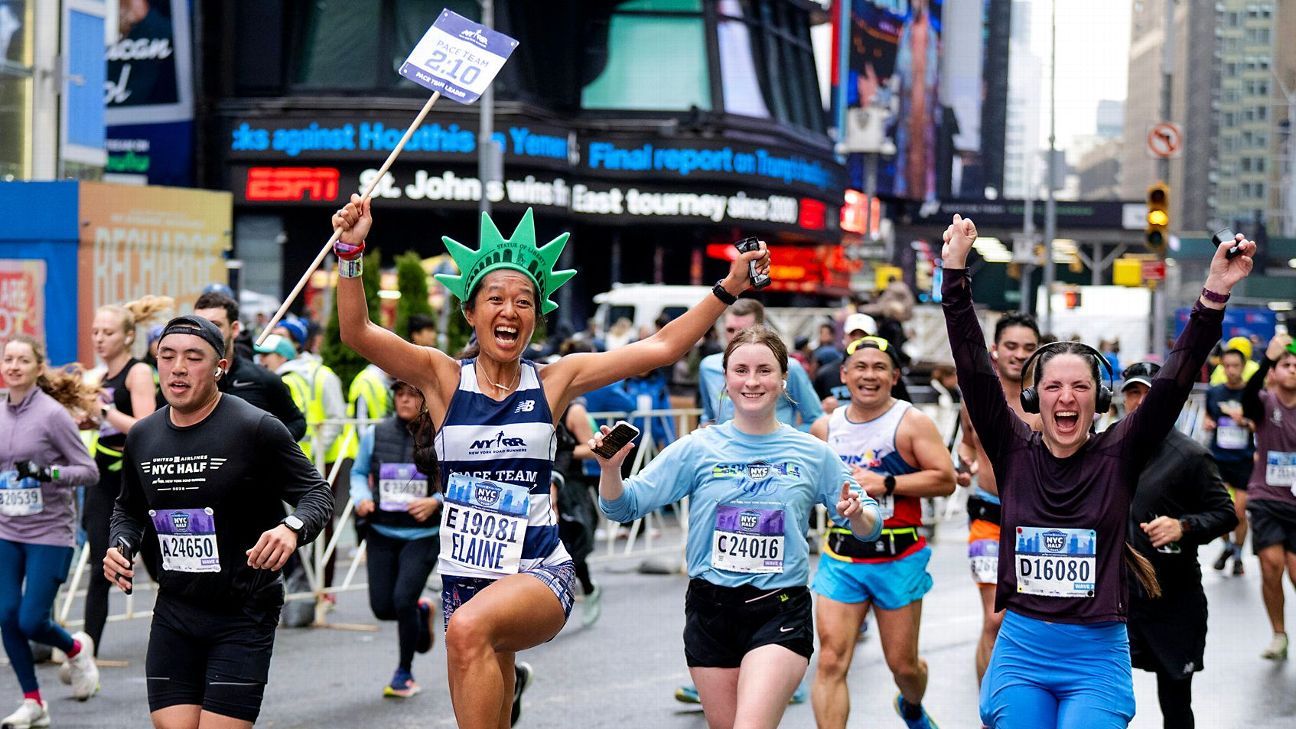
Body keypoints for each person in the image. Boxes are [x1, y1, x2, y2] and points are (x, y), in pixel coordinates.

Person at [330, 196, 770, 729]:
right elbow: (357, 333)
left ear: (537, 319)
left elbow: (660, 347)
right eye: (495, 298)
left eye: (524, 302)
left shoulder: (555, 379)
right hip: (466, 582)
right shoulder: (441, 377)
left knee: (468, 631)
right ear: (470, 313)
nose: (509, 311)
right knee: (480, 673)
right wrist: (350, 251)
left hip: (538, 572)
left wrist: (728, 288)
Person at [940, 213, 1255, 729]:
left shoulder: (1120, 453)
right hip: (1022, 652)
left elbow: (1175, 378)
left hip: (1095, 656)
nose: (1066, 397)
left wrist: (1215, 292)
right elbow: (973, 363)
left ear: (1100, 400)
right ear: (1033, 398)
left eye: (1080, 387)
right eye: (1053, 387)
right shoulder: (1012, 447)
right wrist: (954, 273)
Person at [596, 326, 882, 729]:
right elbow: (623, 507)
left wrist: (856, 515)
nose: (752, 381)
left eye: (764, 370)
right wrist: (610, 470)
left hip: (779, 610)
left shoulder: (812, 453)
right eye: (741, 370)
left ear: (783, 379)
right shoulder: (697, 448)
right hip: (710, 611)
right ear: (726, 379)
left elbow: (870, 524)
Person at [103, 315, 334, 729]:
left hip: (244, 610)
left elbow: (317, 494)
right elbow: (128, 508)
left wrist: (292, 528)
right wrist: (121, 545)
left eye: (194, 358)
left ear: (219, 368)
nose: (178, 367)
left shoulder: (254, 427)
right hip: (175, 608)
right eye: (167, 356)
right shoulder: (143, 435)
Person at [809, 336, 955, 729]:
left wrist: (887, 483)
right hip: (842, 557)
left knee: (903, 667)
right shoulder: (825, 427)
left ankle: (912, 706)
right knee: (830, 661)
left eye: (879, 368)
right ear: (844, 375)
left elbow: (945, 480)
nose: (869, 375)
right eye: (860, 367)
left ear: (894, 377)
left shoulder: (911, 422)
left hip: (898, 556)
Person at [1120, 361, 1237, 729]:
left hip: (1172, 600)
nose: (1140, 401)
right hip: (1118, 600)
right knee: (1102, 698)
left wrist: (1183, 526)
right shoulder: (1109, 448)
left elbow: (1226, 514)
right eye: (1133, 393)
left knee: (1175, 703)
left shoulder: (1190, 456)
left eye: (1149, 393)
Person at [1, 337, 102, 728]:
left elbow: (88, 471)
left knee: (31, 620)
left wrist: (47, 473)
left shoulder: (52, 415)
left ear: (38, 367)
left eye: (22, 360)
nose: (13, 366)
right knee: (6, 616)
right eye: (8, 359)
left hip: (49, 533)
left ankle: (75, 649)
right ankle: (33, 702)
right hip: (7, 529)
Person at [955, 312, 1042, 688]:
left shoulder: (1050, 400)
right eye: (1011, 346)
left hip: (1039, 523)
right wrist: (965, 463)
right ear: (995, 349)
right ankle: (988, 710)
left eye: (1028, 347)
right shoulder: (976, 399)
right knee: (995, 618)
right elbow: (966, 442)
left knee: (1034, 620)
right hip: (988, 519)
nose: (1019, 354)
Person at [84, 295, 171, 656]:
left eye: (107, 332)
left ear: (128, 336)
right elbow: (102, 424)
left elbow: (144, 427)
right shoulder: (98, 376)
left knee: (159, 564)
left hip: (137, 480)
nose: (99, 339)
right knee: (99, 567)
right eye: (95, 332)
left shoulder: (138, 372)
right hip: (103, 478)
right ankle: (86, 655)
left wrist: (103, 411)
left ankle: (182, 634)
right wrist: (86, 418)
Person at [350, 379, 441, 698]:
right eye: (399, 394)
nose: (404, 400)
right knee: (383, 608)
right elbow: (358, 472)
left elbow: (456, 478)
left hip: (422, 535)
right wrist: (361, 497)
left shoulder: (439, 434)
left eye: (411, 395)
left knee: (403, 600)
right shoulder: (376, 433)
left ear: (425, 400)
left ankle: (404, 673)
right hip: (382, 531)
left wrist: (435, 502)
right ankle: (421, 611)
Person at [1239, 331, 1296, 661]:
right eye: (1286, 364)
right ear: (1274, 371)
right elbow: (1247, 396)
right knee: (1272, 565)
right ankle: (1278, 634)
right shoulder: (1264, 403)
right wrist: (1268, 357)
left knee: (1295, 571)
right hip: (1266, 499)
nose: (1292, 368)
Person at [193, 292, 307, 441]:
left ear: (234, 329)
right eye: (199, 326)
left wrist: (268, 446)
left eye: (215, 325)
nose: (206, 333)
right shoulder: (181, 379)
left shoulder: (261, 378)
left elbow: (297, 422)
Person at [698, 299, 822, 431]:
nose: (735, 337)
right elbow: (709, 416)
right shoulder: (708, 367)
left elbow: (814, 418)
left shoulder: (789, 366)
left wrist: (786, 439)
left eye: (743, 331)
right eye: (730, 330)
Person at [1204, 345, 1257, 575]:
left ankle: (1237, 553)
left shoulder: (1252, 394)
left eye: (1235, 366)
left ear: (1243, 367)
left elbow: (1259, 425)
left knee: (1239, 512)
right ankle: (1228, 548)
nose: (1231, 370)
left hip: (1243, 460)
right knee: (1221, 510)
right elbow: (1208, 415)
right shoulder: (1214, 392)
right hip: (1219, 458)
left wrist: (1243, 421)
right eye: (1227, 366)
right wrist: (1208, 422)